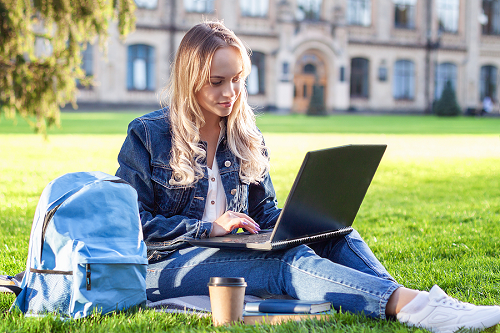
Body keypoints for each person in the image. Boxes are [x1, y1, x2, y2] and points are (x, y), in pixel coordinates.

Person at [116, 21, 500, 332]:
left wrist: (296, 223)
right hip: (166, 264)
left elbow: (264, 212)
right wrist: (210, 229)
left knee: (335, 233)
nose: (230, 92)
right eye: (217, 81)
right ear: (190, 79)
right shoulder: (148, 135)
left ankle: (410, 298)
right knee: (284, 263)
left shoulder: (244, 135)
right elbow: (133, 227)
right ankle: (411, 306)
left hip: (229, 252)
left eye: (237, 80)